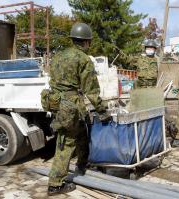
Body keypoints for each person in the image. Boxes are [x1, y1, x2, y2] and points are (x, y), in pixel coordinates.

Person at [44, 23, 110, 196]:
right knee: (66, 143)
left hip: (58, 103)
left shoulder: (58, 56)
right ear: (86, 41)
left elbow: (54, 81)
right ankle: (55, 184)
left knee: (82, 135)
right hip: (71, 105)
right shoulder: (83, 59)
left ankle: (82, 165)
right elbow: (91, 90)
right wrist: (102, 111)